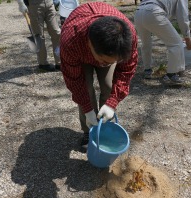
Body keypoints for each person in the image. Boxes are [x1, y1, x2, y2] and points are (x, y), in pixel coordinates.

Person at [59, 2, 138, 149]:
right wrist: (88, 109)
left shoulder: (129, 35)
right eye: (103, 61)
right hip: (80, 54)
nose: (105, 64)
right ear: (89, 44)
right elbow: (74, 80)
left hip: (104, 49)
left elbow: (126, 71)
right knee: (86, 90)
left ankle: (105, 128)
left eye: (114, 61)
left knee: (109, 86)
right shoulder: (70, 40)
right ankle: (89, 131)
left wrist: (112, 103)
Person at [134, 0, 191, 85]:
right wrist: (187, 38)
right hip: (153, 11)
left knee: (145, 44)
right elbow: (182, 17)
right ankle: (172, 74)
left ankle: (147, 70)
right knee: (176, 44)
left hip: (139, 12)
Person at [16, 0, 61, 72]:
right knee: (38, 36)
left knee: (57, 33)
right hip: (34, 5)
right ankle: (42, 63)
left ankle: (59, 62)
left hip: (49, 3)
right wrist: (20, 3)